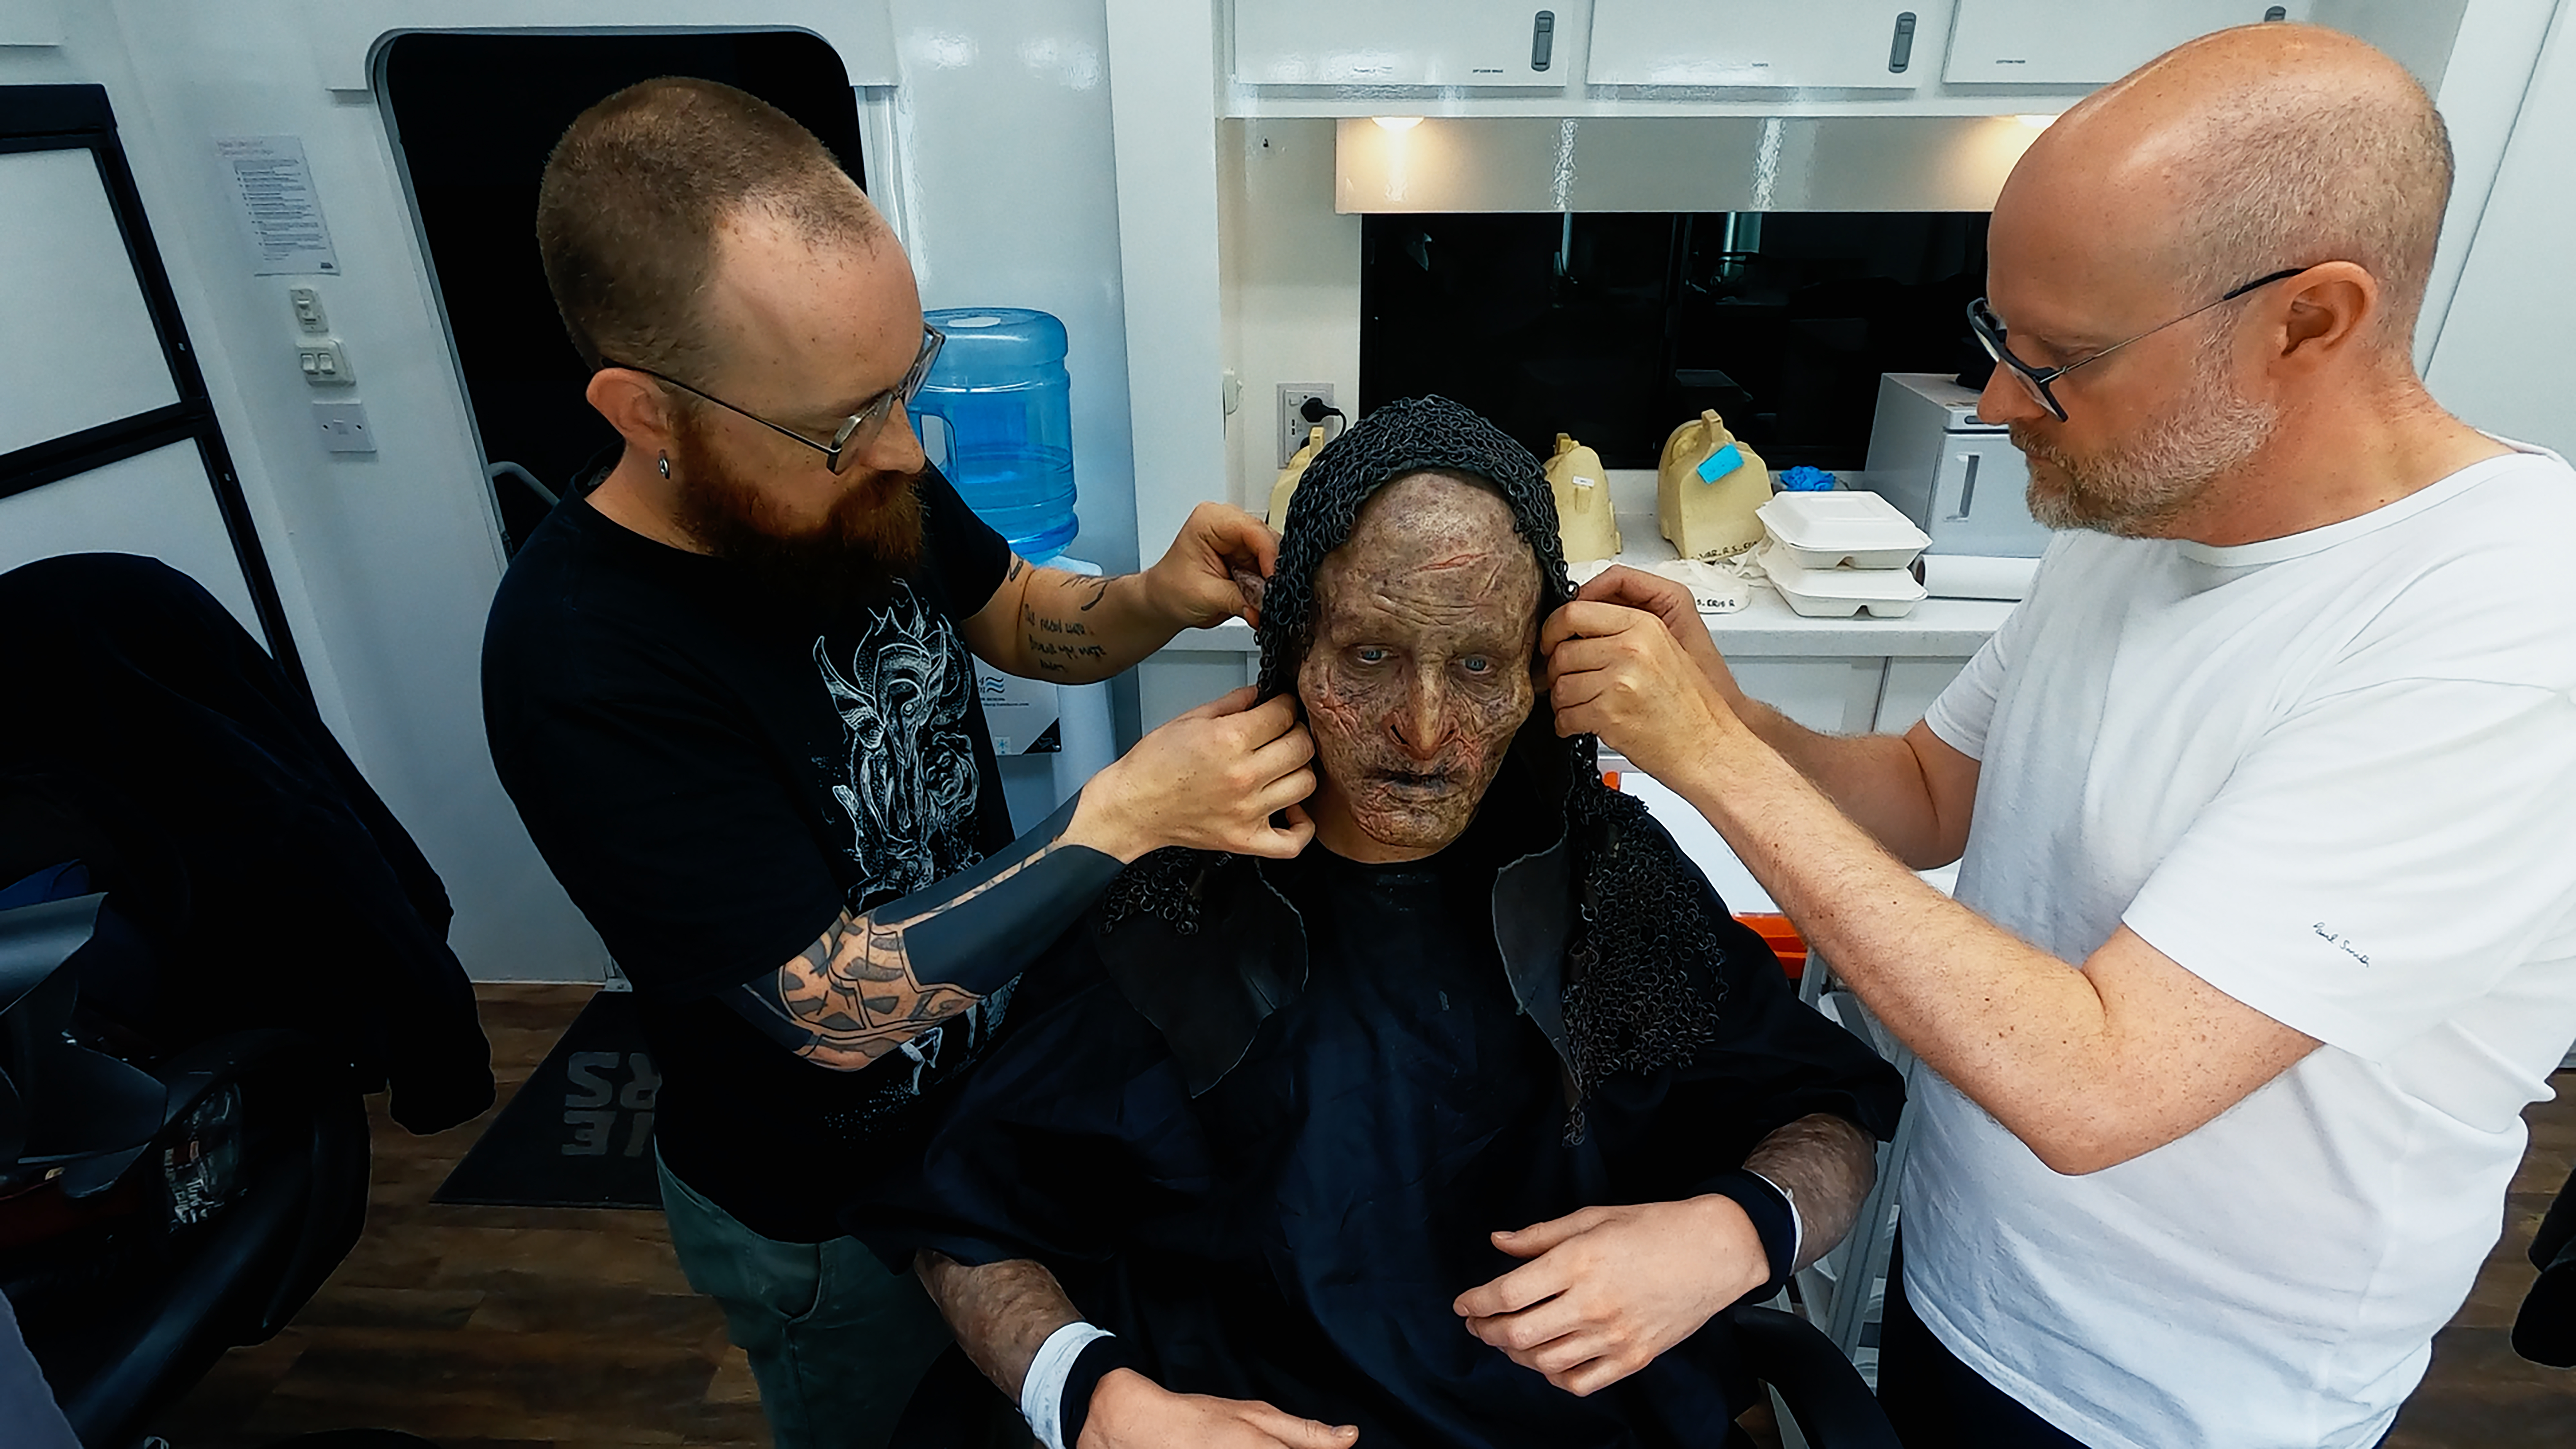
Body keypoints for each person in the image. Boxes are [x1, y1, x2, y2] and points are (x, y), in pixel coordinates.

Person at [1541, 24, 2576, 1449]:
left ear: (2307, 320)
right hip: (1966, 1289)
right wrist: (1729, 712)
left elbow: (2096, 1085)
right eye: (1995, 343)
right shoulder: (2141, 512)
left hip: (2178, 1401)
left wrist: (1707, 760)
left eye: (2060, 361)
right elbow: (1919, 796)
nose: (1995, 405)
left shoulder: (2503, 637)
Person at [480, 79, 1317, 1449]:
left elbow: (1020, 620)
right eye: (841, 422)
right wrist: (1115, 826)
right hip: (832, 1220)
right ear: (645, 410)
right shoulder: (581, 658)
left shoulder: (864, 451)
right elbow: (827, 1008)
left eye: (905, 379)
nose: (902, 449)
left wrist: (1155, 597)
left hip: (993, 1121)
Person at [852, 396, 1907, 1449]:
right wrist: (1097, 1402)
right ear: (1292, 642)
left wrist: (1732, 1234)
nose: (1424, 728)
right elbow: (961, 1218)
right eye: (1368, 656)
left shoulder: (1610, 882)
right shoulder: (1172, 902)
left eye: (1480, 665)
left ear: (1542, 670)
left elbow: (1827, 1114)